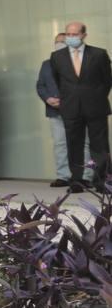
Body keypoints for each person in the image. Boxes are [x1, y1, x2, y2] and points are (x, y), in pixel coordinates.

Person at [50, 21, 112, 193]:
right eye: (68, 34)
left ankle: (102, 182)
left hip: (96, 106)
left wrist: (96, 96)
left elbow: (107, 80)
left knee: (99, 145)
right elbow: (59, 81)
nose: (71, 37)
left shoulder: (99, 54)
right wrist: (69, 97)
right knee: (74, 145)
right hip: (71, 107)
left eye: (74, 34)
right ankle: (77, 181)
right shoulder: (57, 57)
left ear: (83, 35)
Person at [36, 33, 72, 187]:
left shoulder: (77, 62)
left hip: (74, 110)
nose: (59, 44)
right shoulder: (46, 64)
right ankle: (63, 176)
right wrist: (48, 99)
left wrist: (65, 100)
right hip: (54, 111)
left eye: (62, 42)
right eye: (56, 42)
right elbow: (40, 85)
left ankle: (85, 177)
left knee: (82, 144)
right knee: (60, 144)